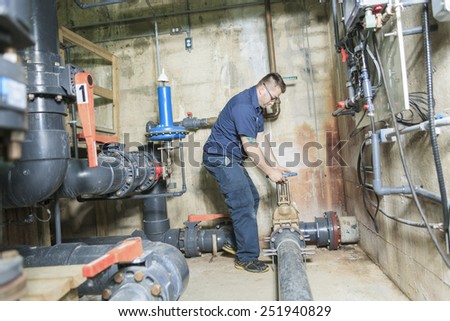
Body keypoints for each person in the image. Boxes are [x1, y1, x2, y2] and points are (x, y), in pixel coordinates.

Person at [202, 72, 290, 273]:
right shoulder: (244, 106)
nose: (274, 101)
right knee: (243, 203)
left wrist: (275, 165)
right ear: (261, 89)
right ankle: (247, 258)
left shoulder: (257, 108)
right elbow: (250, 147)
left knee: (252, 198)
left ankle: (237, 243)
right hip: (219, 158)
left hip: (230, 158)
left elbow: (260, 139)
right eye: (273, 97)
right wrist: (269, 173)